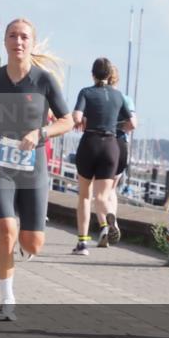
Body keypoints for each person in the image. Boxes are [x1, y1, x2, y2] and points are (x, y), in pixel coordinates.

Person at [0, 18, 73, 320]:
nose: (18, 41)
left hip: (33, 165)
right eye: (13, 36)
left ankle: (29, 230)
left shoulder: (44, 80)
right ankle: (7, 299)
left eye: (24, 37)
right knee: (5, 231)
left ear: (31, 43)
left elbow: (68, 120)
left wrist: (41, 133)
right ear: (6, 42)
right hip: (2, 165)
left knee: (32, 242)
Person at [71, 58, 131, 254]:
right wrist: (114, 125)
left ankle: (82, 243)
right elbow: (131, 123)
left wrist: (82, 123)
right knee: (102, 196)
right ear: (109, 74)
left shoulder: (86, 92)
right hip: (111, 145)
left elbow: (77, 117)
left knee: (85, 196)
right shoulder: (119, 96)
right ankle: (110, 216)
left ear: (93, 74)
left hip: (90, 143)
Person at [107, 64, 137, 234]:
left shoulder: (95, 95)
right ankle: (113, 221)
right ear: (117, 79)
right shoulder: (125, 99)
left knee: (97, 190)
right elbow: (133, 124)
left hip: (100, 141)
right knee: (111, 189)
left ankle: (104, 225)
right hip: (120, 143)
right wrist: (120, 126)